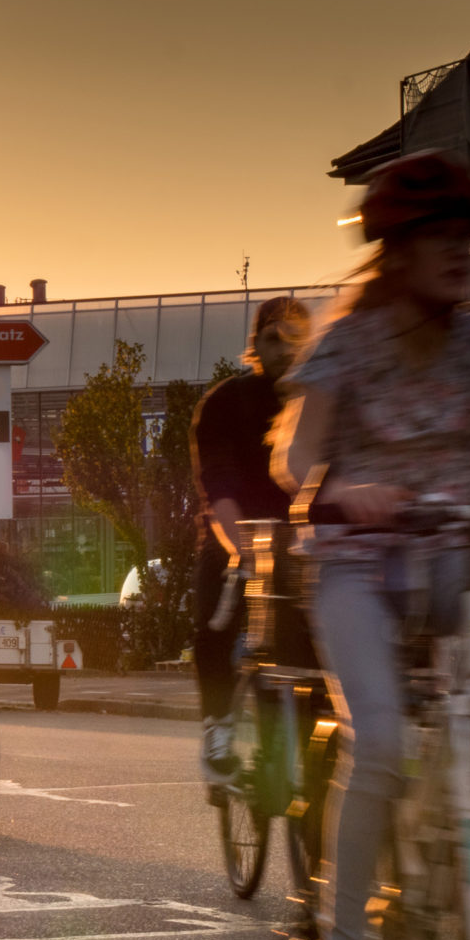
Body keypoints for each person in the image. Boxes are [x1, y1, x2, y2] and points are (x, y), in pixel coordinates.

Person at [270, 149, 470, 940]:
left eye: (467, 234)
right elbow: (298, 466)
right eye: (439, 237)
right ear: (395, 251)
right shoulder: (349, 345)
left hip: (457, 560)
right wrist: (346, 487)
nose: (460, 250)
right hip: (361, 572)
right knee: (378, 741)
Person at [190, 296, 313, 783]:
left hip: (306, 543)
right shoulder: (225, 401)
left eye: (296, 337)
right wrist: (240, 548)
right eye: (272, 338)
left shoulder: (320, 400)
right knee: (214, 625)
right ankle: (218, 725)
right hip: (235, 535)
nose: (285, 349)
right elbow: (217, 484)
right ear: (255, 345)